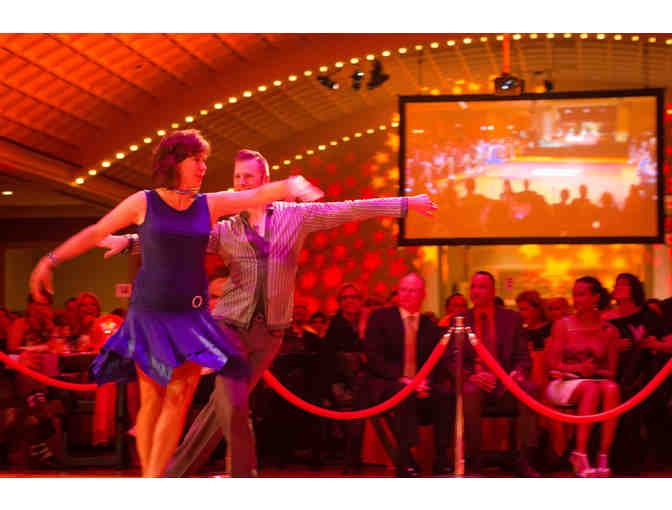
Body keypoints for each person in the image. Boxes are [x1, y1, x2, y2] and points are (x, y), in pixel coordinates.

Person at [102, 148, 437, 477]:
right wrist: (130, 242)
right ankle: (245, 478)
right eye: (237, 177)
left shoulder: (295, 217)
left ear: (266, 180)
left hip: (270, 335)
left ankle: (172, 476)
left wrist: (406, 204)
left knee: (222, 411)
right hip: (229, 326)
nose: (242, 182)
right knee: (235, 405)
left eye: (249, 176)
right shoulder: (226, 229)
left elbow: (350, 209)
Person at [28, 130, 322, 477]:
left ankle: (155, 483)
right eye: (197, 159)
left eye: (204, 161)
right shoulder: (144, 202)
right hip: (150, 314)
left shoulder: (208, 204)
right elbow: (96, 231)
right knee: (152, 400)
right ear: (175, 161)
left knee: (179, 399)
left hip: (191, 316)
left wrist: (292, 185)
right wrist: (50, 261)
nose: (203, 167)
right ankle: (152, 480)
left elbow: (258, 194)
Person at [443, 271, 540, 477]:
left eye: (482, 287)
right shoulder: (459, 320)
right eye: (473, 287)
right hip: (475, 382)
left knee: (530, 390)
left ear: (493, 292)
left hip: (506, 382)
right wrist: (471, 375)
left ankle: (525, 462)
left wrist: (517, 373)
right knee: (469, 392)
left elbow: (524, 357)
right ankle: (475, 464)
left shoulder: (511, 318)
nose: (475, 291)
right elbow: (450, 359)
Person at [362, 273, 452, 477]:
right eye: (403, 290)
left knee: (446, 396)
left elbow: (436, 362)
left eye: (412, 291)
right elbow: (374, 358)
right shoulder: (380, 318)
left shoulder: (430, 325)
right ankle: (405, 459)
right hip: (388, 383)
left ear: (423, 295)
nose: (406, 295)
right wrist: (404, 380)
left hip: (420, 384)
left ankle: (441, 459)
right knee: (404, 392)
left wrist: (425, 381)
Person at [545, 277, 620, 477]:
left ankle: (603, 455)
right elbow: (553, 363)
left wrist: (592, 371)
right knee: (591, 387)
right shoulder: (562, 325)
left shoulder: (609, 330)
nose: (576, 299)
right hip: (563, 382)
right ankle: (580, 453)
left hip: (593, 380)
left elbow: (612, 372)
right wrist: (578, 369)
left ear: (596, 297)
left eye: (582, 294)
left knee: (612, 388)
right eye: (575, 294)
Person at [603, 273, 666, 474]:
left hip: (647, 368)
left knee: (644, 370)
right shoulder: (607, 318)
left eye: (623, 284)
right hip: (617, 368)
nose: (618, 287)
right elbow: (599, 346)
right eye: (616, 284)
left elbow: (660, 339)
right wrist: (613, 346)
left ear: (634, 289)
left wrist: (651, 343)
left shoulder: (648, 314)